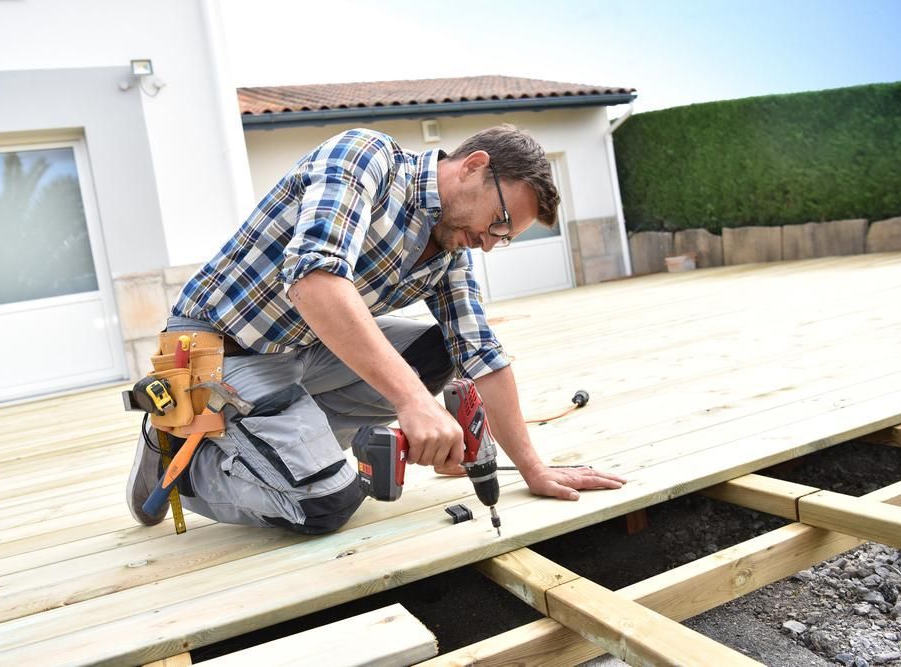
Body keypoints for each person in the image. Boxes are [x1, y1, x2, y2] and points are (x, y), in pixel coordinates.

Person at [126, 125, 627, 534]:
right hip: (224, 349)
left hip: (304, 347)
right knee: (326, 503)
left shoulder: (448, 250)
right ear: (473, 165)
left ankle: (293, 443)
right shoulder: (368, 158)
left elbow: (481, 353)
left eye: (506, 237)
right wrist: (415, 403)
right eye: (499, 222)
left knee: (440, 352)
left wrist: (533, 468)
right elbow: (314, 282)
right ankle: (181, 461)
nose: (492, 244)